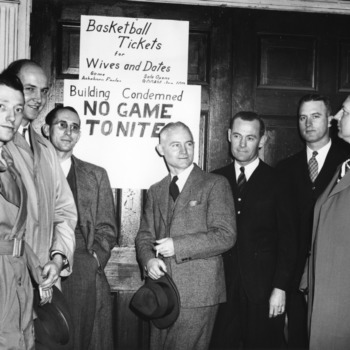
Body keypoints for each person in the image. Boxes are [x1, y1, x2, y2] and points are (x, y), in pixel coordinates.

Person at [135, 121, 236, 350]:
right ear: (161, 149)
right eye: (175, 145)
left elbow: (226, 235)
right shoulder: (156, 189)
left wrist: (178, 246)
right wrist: (148, 259)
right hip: (161, 291)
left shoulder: (215, 184)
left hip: (198, 294)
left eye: (189, 144)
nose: (184, 151)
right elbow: (144, 235)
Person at [211, 111, 295, 349]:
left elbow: (289, 240)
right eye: (237, 136)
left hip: (263, 290)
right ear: (229, 136)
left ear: (262, 140)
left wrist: (280, 288)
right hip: (222, 289)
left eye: (250, 137)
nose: (242, 144)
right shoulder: (214, 180)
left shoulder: (279, 180)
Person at [276, 94, 350, 349]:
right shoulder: (284, 169)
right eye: (302, 117)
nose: (308, 123)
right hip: (297, 279)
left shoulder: (347, 159)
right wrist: (281, 284)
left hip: (338, 278)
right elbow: (282, 232)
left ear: (329, 119)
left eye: (315, 116)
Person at [43, 106, 118, 350]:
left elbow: (107, 228)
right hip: (38, 264)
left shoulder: (95, 175)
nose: (69, 132)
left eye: (75, 127)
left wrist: (94, 259)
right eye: (62, 125)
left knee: (82, 339)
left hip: (83, 268)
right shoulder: (31, 170)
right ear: (46, 129)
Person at [2, 59, 76, 298]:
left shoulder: (46, 149)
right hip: (8, 276)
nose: (38, 98)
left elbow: (63, 212)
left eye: (43, 91)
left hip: (44, 279)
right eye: (29, 89)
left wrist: (57, 259)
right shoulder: (3, 144)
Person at [301, 94, 350, 349]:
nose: (336, 118)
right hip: (323, 292)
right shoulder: (345, 167)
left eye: (345, 112)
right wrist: (309, 278)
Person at [0, 73, 42, 349]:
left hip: (18, 274)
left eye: (17, 109)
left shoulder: (11, 158)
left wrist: (36, 268)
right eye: (1, 107)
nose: (11, 117)